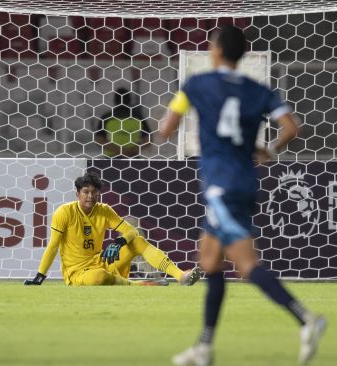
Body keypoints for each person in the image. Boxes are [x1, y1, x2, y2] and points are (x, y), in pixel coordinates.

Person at [160, 25, 326, 366]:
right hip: (245, 182)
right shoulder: (258, 89)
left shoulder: (195, 84)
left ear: (216, 50)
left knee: (247, 264)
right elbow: (292, 128)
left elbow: (166, 129)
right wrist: (270, 149)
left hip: (220, 186)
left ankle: (306, 319)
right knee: (209, 261)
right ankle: (203, 347)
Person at [24, 172, 200, 286]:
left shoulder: (104, 210)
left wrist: (120, 241)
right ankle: (138, 285)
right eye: (86, 192)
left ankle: (181, 276)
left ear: (98, 194)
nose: (90, 196)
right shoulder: (64, 212)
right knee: (99, 277)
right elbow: (53, 246)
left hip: (102, 261)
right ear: (78, 194)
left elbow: (132, 231)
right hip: (78, 272)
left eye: (94, 192)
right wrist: (40, 276)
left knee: (136, 241)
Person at [94, 88, 150, 158]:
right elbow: (148, 139)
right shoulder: (138, 117)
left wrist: (119, 151)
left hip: (111, 159)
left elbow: (99, 139)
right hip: (132, 157)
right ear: (129, 100)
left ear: (115, 100)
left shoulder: (106, 117)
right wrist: (133, 150)